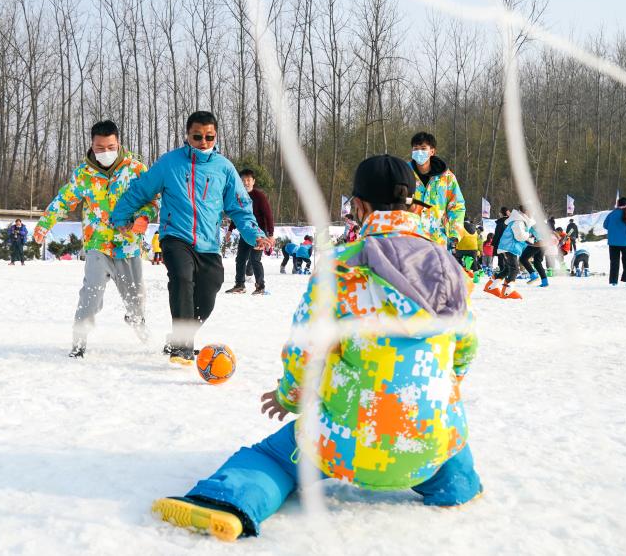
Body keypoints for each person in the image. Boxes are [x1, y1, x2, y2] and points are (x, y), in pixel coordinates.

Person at [152, 155, 480, 541]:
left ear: (358, 207)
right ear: (413, 204)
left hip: (346, 443)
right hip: (429, 443)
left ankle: (226, 501)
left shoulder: (342, 270)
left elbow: (304, 352)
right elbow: (464, 349)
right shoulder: (449, 268)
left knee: (276, 457)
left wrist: (289, 398)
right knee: (447, 442)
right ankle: (458, 485)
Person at [110, 111, 272, 364]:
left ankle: (178, 337)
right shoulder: (169, 163)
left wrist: (255, 234)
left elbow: (240, 207)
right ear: (187, 135)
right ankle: (182, 348)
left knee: (212, 286)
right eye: (197, 136)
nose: (203, 142)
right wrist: (120, 217)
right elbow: (140, 191)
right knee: (182, 278)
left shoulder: (224, 168)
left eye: (209, 137)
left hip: (208, 242)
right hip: (175, 235)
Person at [34, 120, 157, 358]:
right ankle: (79, 342)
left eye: (110, 146)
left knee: (136, 296)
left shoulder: (136, 169)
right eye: (100, 148)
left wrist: (144, 217)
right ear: (92, 145)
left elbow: (152, 200)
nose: (106, 152)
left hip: (128, 244)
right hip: (97, 244)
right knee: (90, 295)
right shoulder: (84, 174)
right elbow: (64, 200)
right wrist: (44, 224)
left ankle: (136, 319)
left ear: (118, 142)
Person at [408, 131, 466, 245]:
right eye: (415, 148)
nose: (419, 152)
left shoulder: (447, 178)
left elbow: (457, 206)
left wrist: (455, 233)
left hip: (437, 240)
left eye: (423, 148)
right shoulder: (403, 174)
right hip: (409, 240)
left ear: (432, 151)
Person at [225, 169, 274, 296]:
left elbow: (268, 215)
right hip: (245, 233)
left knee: (254, 259)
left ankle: (260, 286)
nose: (246, 182)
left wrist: (270, 234)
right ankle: (240, 285)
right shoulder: (239, 196)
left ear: (253, 181)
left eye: (248, 180)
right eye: (243, 180)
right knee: (240, 259)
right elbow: (238, 215)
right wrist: (230, 230)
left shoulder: (259, 196)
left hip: (259, 234)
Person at [487, 205, 534, 299]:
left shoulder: (520, 220)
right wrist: (528, 236)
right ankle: (507, 291)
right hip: (509, 247)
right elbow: (519, 236)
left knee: (508, 269)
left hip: (509, 247)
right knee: (515, 269)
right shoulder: (518, 221)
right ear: (526, 212)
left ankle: (491, 287)